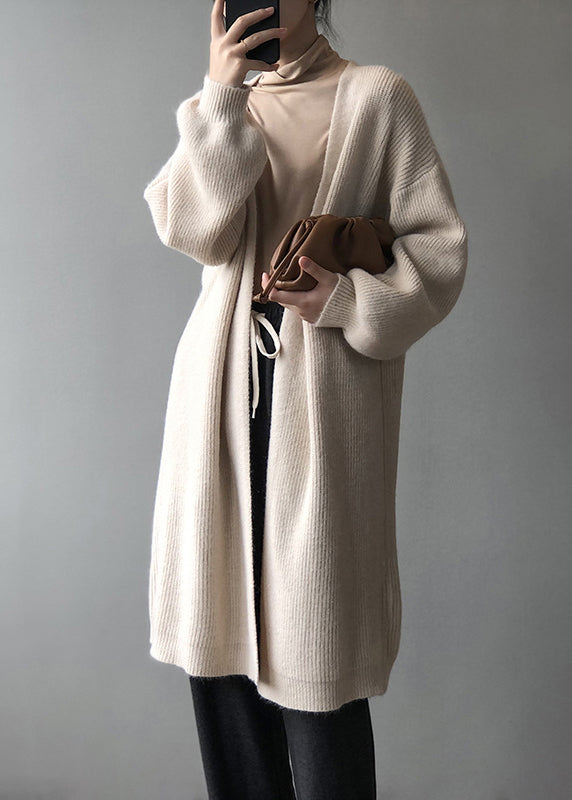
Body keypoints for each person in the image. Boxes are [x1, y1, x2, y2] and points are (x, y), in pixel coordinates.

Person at [142, 0, 468, 797]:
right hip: (216, 407)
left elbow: (438, 252)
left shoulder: (377, 97)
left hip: (320, 406)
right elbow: (192, 232)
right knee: (222, 674)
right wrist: (221, 96)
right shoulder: (222, 106)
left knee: (318, 669)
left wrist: (346, 300)